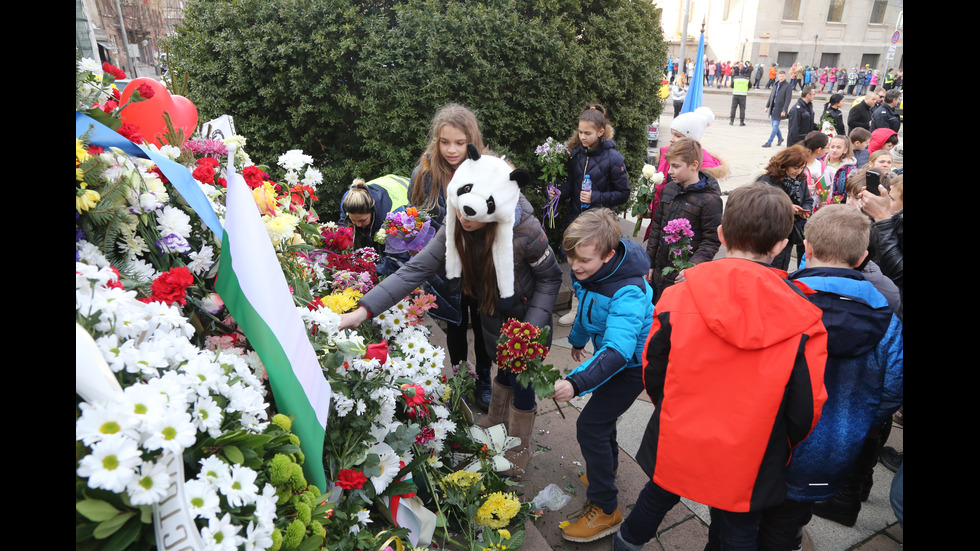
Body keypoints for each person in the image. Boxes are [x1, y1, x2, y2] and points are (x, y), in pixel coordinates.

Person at [613, 183, 828, 551]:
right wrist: (781, 441)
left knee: (657, 496)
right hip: (751, 449)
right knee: (738, 528)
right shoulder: (806, 319)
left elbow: (654, 370)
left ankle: (626, 544)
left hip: (682, 430)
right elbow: (806, 406)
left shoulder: (679, 295)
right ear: (780, 247)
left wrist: (673, 409)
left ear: (722, 235)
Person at [341, 148, 562, 475]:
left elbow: (550, 277)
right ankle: (495, 423)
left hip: (527, 320)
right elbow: (414, 270)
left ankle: (519, 445)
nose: (462, 219)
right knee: (503, 368)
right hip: (493, 317)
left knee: (523, 383)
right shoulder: (458, 223)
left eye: (470, 215)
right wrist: (363, 311)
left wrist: (530, 329)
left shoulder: (526, 230)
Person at [758, 205, 903, 551]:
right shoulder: (888, 321)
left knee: (744, 520)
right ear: (863, 257)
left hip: (767, 441)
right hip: (834, 448)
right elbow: (894, 386)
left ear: (806, 248)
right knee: (791, 519)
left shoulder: (775, 300)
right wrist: (859, 417)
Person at [554, 208, 654, 543]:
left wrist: (576, 382)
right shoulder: (593, 274)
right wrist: (578, 341)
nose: (575, 266)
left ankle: (606, 507)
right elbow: (584, 311)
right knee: (602, 418)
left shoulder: (628, 290)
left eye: (583, 259)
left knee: (591, 424)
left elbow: (617, 351)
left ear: (609, 255)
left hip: (633, 366)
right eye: (571, 257)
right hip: (613, 359)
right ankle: (606, 468)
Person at [408, 103, 493, 410]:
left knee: (484, 327)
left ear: (472, 139)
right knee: (455, 327)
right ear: (437, 139)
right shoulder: (425, 174)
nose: (452, 149)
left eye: (459, 142)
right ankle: (459, 379)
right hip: (446, 268)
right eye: (445, 142)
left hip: (483, 266)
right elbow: (415, 218)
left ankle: (484, 377)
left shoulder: (488, 169)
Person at [551, 104, 630, 326]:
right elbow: (572, 185)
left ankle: (598, 311)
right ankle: (577, 310)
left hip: (600, 223)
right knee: (577, 265)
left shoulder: (614, 158)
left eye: (587, 133)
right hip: (575, 219)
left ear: (601, 132)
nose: (582, 137)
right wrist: (558, 193)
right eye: (580, 132)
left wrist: (595, 197)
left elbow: (623, 193)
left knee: (598, 266)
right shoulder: (576, 153)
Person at [646, 138, 722, 300]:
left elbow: (711, 241)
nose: (670, 171)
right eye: (669, 165)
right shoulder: (669, 189)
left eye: (676, 166)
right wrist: (649, 262)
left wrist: (692, 268)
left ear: (694, 165)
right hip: (659, 271)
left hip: (682, 276)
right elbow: (657, 228)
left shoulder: (710, 200)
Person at [756, 145, 813, 271]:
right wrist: (786, 207)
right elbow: (759, 204)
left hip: (789, 231)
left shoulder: (800, 180)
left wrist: (805, 209)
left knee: (782, 266)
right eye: (795, 168)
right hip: (769, 232)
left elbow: (807, 199)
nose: (798, 171)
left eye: (802, 168)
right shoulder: (767, 180)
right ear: (784, 165)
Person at [339, 176, 411, 273]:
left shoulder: (395, 217)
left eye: (362, 220)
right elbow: (342, 227)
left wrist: (372, 273)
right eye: (353, 220)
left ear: (373, 211)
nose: (358, 225)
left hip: (415, 193)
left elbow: (399, 258)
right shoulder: (349, 200)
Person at [824, 134, 858, 205]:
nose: (834, 150)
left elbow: (849, 191)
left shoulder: (849, 169)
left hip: (837, 205)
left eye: (839, 147)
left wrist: (831, 202)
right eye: (832, 147)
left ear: (845, 150)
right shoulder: (820, 163)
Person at [763, 71, 793, 147]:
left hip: (780, 109)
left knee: (775, 126)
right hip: (773, 108)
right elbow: (771, 96)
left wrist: (784, 110)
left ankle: (769, 142)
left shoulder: (788, 86)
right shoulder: (775, 84)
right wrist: (767, 106)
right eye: (780, 76)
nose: (781, 78)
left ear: (785, 76)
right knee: (774, 126)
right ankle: (780, 138)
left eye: (782, 76)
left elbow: (788, 100)